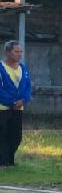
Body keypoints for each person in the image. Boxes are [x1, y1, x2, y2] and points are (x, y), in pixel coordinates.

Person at [0, 39, 32, 168]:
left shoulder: (23, 69)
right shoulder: (1, 68)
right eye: (16, 51)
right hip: (3, 108)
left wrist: (23, 100)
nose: (19, 54)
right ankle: (3, 162)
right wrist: (11, 102)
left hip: (18, 108)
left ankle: (9, 161)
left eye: (21, 52)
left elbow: (28, 87)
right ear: (8, 52)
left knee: (16, 136)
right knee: (2, 135)